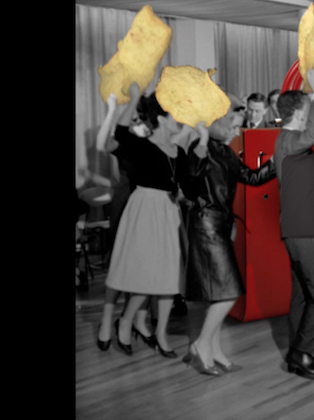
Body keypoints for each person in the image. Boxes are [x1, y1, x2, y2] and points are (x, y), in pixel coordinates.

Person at [180, 111, 276, 375]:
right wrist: (201, 140)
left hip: (219, 225)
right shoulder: (200, 147)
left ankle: (213, 350)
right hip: (205, 225)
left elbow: (252, 177)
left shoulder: (225, 151)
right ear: (218, 124)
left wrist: (276, 160)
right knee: (228, 291)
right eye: (232, 127)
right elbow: (189, 182)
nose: (237, 132)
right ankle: (201, 345)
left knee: (219, 293)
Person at [102, 82, 188, 358]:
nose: (181, 118)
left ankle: (161, 334)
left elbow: (185, 186)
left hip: (168, 212)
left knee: (169, 277)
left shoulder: (180, 152)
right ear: (161, 118)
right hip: (144, 210)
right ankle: (125, 322)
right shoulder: (141, 145)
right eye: (177, 113)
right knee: (147, 272)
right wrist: (134, 98)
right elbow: (118, 134)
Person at [274, 69, 314, 380]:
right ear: (301, 112)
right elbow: (313, 134)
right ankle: (303, 353)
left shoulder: (289, 143)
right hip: (306, 231)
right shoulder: (290, 140)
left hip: (302, 229)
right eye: (309, 109)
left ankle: (299, 354)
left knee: (304, 294)